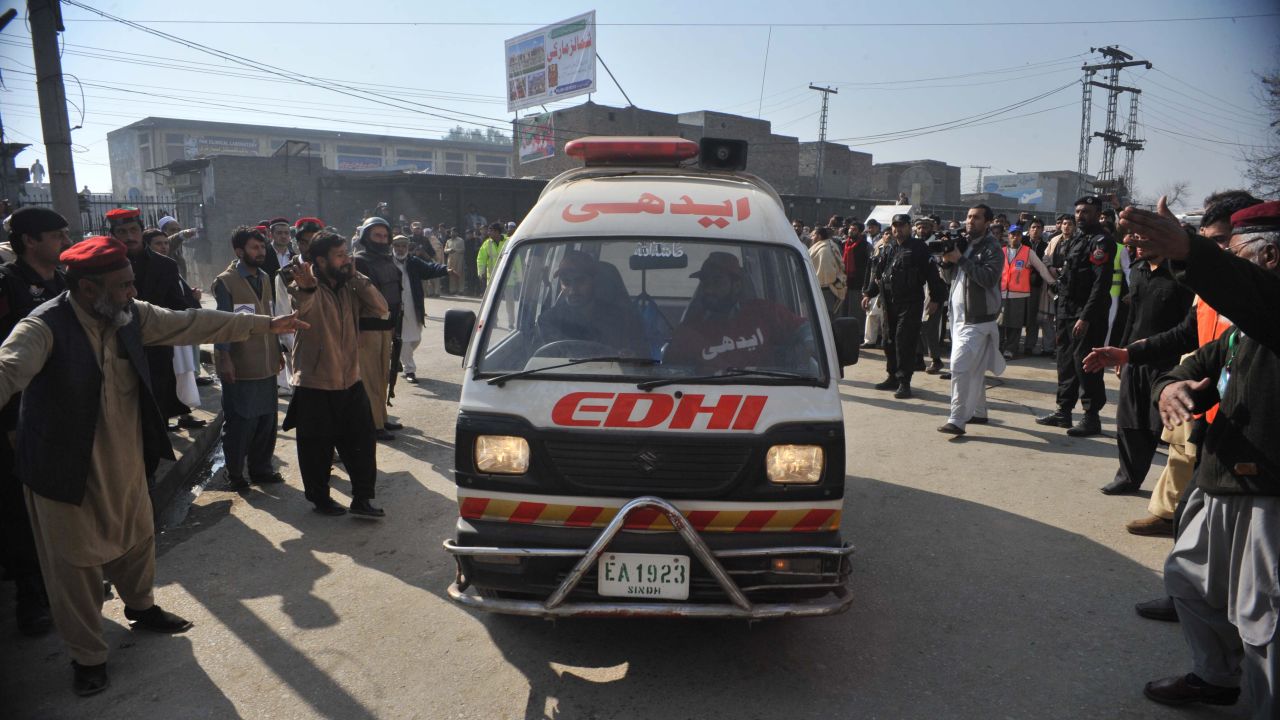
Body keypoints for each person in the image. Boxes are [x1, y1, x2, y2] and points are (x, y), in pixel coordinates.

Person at [0, 235, 305, 696]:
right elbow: (8, 370)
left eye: (131, 283)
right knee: (74, 566)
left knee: (137, 537)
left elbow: (191, 322)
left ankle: (140, 608)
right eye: (122, 285)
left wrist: (266, 324)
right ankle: (88, 656)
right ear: (87, 289)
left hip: (124, 455)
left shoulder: (130, 316)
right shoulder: (42, 327)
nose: (131, 292)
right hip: (62, 466)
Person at [1125, 198, 1280, 716]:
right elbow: (1195, 363)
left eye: (1234, 254)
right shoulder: (1245, 326)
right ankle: (1215, 677)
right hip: (1219, 478)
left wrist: (1188, 250)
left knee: (1264, 620)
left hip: (1267, 494)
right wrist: (1170, 388)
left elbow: (1251, 295)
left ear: (1271, 257)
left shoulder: (1267, 306)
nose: (1226, 263)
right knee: (1188, 582)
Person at [281, 231, 389, 519]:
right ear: (320, 260)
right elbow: (302, 309)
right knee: (316, 447)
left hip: (350, 380)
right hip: (316, 383)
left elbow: (381, 308)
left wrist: (356, 277)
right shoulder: (303, 285)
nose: (346, 259)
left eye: (346, 254)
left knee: (363, 443)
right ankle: (320, 498)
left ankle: (362, 499)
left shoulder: (349, 285)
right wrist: (307, 289)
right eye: (340, 255)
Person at [0, 207, 70, 636]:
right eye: (56, 236)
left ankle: (66, 581)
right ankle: (32, 593)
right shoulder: (6, 286)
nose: (64, 242)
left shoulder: (63, 283)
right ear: (30, 240)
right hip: (17, 415)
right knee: (19, 508)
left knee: (62, 499)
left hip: (61, 410)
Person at [108, 208, 206, 435]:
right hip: (117, 352)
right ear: (113, 235)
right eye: (122, 231)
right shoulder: (104, 268)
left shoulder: (165, 265)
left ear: (141, 232)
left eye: (133, 230)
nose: (129, 236)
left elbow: (178, 306)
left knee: (157, 409)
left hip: (156, 349)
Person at [212, 227, 287, 491]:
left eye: (262, 248)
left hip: (265, 362)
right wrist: (224, 358)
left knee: (267, 421)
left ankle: (261, 469)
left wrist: (278, 351)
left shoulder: (265, 277)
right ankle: (235, 474)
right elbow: (222, 325)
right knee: (241, 424)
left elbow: (270, 316)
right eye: (255, 248)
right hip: (241, 365)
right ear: (239, 251)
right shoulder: (226, 282)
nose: (261, 252)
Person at [1035, 196, 1116, 437]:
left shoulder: (1102, 242)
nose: (1081, 216)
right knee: (1065, 362)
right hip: (1067, 311)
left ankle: (1091, 418)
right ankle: (1063, 411)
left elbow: (1101, 285)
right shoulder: (1076, 239)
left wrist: (1086, 317)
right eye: (1078, 211)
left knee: (1086, 365)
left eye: (1087, 212)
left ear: (1098, 213)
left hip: (1086, 314)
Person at [667, 252, 812, 371]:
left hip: (769, 394)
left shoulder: (765, 312)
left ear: (737, 286)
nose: (709, 289)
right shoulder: (689, 330)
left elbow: (805, 330)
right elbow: (670, 372)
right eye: (705, 282)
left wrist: (807, 349)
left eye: (717, 282)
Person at [936, 205, 1005, 435]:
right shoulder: (964, 244)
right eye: (968, 217)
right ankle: (979, 411)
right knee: (974, 368)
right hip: (957, 317)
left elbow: (988, 278)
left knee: (959, 366)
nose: (970, 221)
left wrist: (960, 260)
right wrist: (947, 261)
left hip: (977, 320)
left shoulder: (992, 247)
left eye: (976, 218)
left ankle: (956, 419)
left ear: (988, 222)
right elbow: (949, 278)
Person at [861, 213, 944, 399]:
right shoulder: (889, 248)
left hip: (910, 301)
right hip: (889, 301)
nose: (898, 229)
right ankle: (892, 376)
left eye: (902, 226)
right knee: (888, 340)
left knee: (904, 341)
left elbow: (933, 275)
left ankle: (904, 382)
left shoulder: (919, 248)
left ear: (909, 227)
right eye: (895, 226)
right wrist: (868, 293)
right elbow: (879, 273)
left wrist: (936, 299)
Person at [533, 250, 647, 355]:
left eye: (580, 281)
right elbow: (537, 363)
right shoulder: (548, 321)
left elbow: (641, 363)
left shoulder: (623, 320)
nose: (573, 290)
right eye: (566, 282)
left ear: (594, 280)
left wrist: (631, 358)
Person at [352, 217, 402, 441]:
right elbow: (356, 299)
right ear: (366, 237)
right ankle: (374, 423)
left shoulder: (388, 260)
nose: (382, 240)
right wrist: (357, 329)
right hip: (367, 328)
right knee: (370, 377)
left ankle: (381, 416)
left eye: (384, 236)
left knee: (383, 375)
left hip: (386, 326)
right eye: (376, 236)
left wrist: (393, 326)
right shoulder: (359, 262)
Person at [391, 234, 453, 384]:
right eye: (397, 246)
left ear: (407, 247)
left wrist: (446, 270)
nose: (400, 249)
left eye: (403, 246)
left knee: (416, 338)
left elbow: (429, 268)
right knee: (404, 338)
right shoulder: (387, 262)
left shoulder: (412, 262)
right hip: (395, 307)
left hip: (413, 304)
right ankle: (409, 370)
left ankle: (396, 354)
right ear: (392, 247)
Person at [998, 224, 1056, 359]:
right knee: (999, 323)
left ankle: (1010, 349)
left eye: (1018, 234)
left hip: (1019, 294)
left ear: (1021, 237)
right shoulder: (1001, 251)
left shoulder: (1028, 252)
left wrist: (1052, 283)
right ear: (1008, 236)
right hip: (1001, 293)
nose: (1015, 237)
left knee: (1015, 324)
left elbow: (1042, 268)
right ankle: (998, 348)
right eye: (1013, 234)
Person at [808, 226, 846, 318]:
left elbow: (826, 273)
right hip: (824, 288)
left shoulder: (824, 250)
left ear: (819, 236)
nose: (811, 238)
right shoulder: (828, 245)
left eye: (813, 235)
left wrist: (819, 283)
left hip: (824, 289)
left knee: (825, 317)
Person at [841, 220, 871, 327]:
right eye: (850, 229)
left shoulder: (865, 246)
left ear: (860, 232)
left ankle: (858, 331)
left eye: (854, 230)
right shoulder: (843, 244)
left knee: (856, 309)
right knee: (844, 308)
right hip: (844, 282)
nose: (851, 231)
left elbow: (869, 264)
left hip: (858, 282)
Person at [261, 218, 294, 283]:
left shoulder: (294, 256)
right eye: (279, 233)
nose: (283, 236)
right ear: (271, 235)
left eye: (286, 233)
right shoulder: (263, 254)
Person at [444, 228, 465, 295]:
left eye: (454, 232)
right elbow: (445, 250)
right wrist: (449, 250)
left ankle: (460, 290)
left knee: (459, 274)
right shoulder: (448, 241)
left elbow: (463, 250)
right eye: (452, 232)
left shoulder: (461, 240)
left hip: (459, 260)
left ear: (457, 233)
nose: (453, 234)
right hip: (450, 260)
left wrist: (455, 250)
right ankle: (452, 290)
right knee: (451, 274)